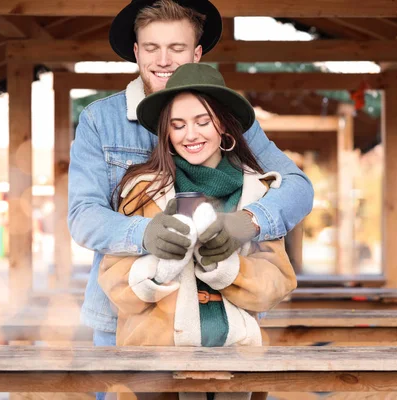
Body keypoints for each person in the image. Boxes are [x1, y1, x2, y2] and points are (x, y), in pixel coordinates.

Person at [67, 0, 313, 349]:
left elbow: (298, 188)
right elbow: (82, 217)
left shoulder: (231, 117)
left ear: (197, 54)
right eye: (152, 48)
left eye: (177, 48)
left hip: (228, 321)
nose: (163, 60)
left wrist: (245, 223)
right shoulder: (100, 121)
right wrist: (145, 232)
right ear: (137, 52)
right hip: (126, 322)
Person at [98, 62, 297, 400]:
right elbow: (114, 282)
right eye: (178, 126)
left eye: (202, 121)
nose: (190, 134)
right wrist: (160, 268)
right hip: (155, 366)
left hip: (237, 361)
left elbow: (278, 282)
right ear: (167, 133)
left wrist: (226, 267)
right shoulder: (142, 188)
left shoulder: (257, 193)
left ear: (223, 124)